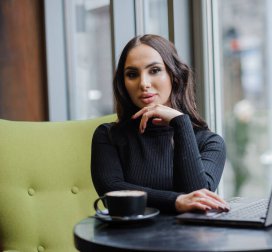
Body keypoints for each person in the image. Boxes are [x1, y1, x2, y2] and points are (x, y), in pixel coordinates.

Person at [91, 34, 229, 214]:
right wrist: (176, 201)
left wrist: (181, 123)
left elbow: (197, 197)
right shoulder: (108, 135)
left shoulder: (210, 143)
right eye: (132, 74)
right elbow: (112, 193)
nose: (144, 83)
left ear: (175, 75)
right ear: (123, 84)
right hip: (128, 239)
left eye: (154, 70)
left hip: (189, 240)